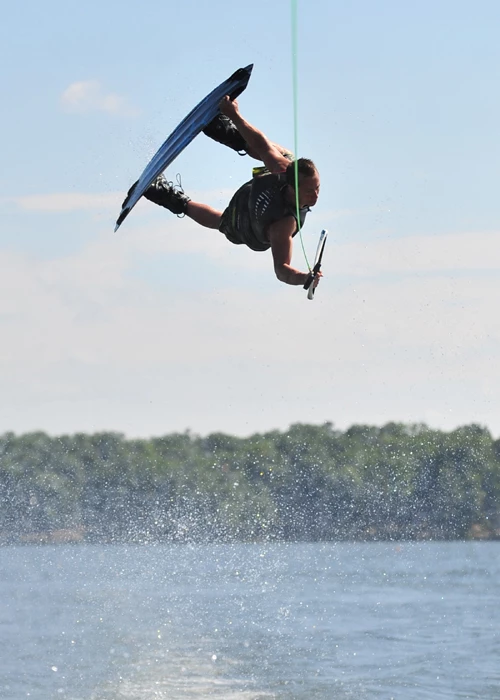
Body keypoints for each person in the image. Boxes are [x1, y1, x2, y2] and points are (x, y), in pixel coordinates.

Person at [140, 96, 321, 288]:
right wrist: (234, 114)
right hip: (257, 192)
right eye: (310, 190)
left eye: (317, 188)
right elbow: (260, 143)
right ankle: (223, 130)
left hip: (249, 227)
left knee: (222, 221)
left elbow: (282, 270)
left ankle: (166, 196)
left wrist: (304, 278)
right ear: (292, 185)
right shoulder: (282, 168)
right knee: (283, 155)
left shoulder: (283, 226)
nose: (316, 195)